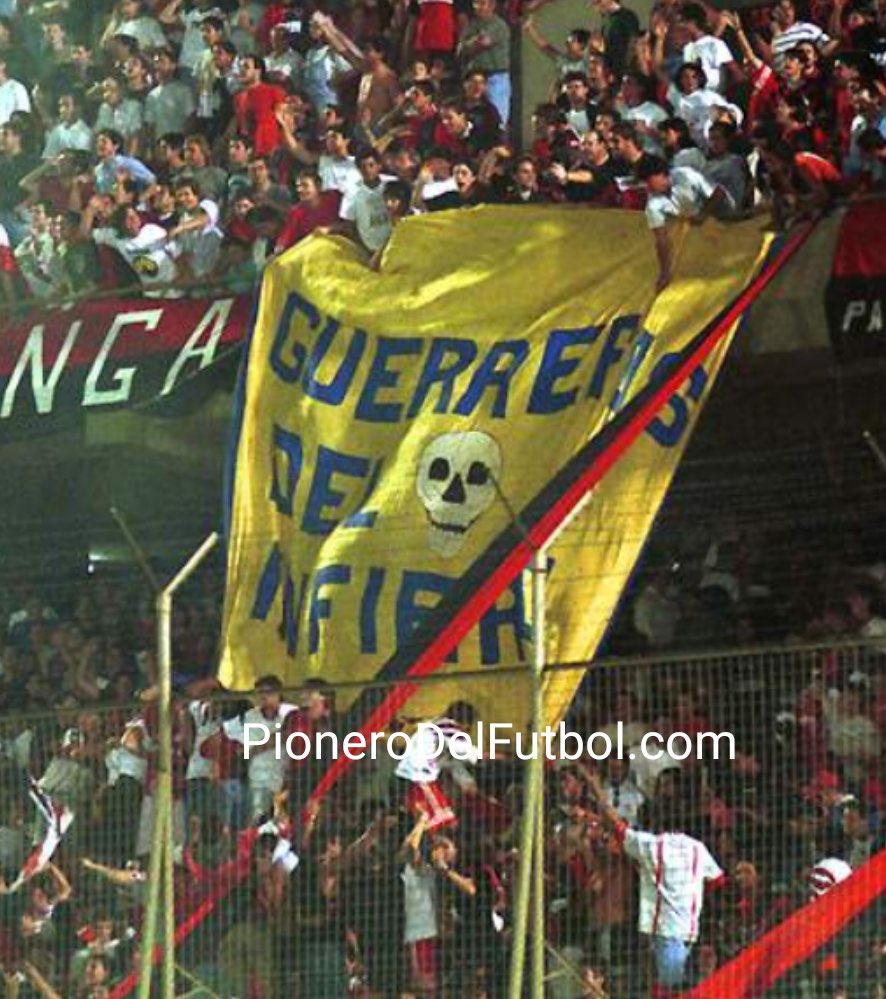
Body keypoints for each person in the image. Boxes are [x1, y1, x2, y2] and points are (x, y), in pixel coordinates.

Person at [586, 768, 725, 994]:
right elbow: (718, 881)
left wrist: (595, 789)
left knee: (672, 992)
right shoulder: (698, 848)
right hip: (690, 932)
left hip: (665, 934)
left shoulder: (651, 845)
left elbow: (616, 825)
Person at [636, 154, 730, 292]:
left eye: (649, 181)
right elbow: (661, 240)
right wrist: (665, 272)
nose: (648, 187)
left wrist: (703, 213)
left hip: (721, 214)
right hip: (699, 231)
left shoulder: (685, 175)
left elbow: (719, 193)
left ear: (661, 174)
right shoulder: (653, 204)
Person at [457, 0, 512, 127]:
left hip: (495, 78)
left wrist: (471, 43)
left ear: (492, 5)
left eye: (482, 3)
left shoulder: (498, 25)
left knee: (498, 120)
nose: (477, 7)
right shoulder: (471, 25)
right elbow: (460, 50)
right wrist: (474, 42)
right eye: (475, 3)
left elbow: (484, 42)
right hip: (475, 76)